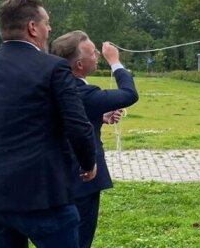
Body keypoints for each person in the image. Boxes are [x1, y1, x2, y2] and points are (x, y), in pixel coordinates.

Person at [0, 0, 98, 248]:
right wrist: (88, 163)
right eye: (46, 23)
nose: (49, 29)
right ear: (32, 27)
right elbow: (77, 126)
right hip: (43, 197)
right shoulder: (54, 68)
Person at [51, 31, 139, 248]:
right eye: (93, 52)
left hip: (52, 177)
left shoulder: (51, 85)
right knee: (80, 239)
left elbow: (66, 119)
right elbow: (129, 94)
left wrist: (97, 117)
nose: (98, 54)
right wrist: (115, 61)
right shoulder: (82, 92)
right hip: (82, 178)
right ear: (79, 64)